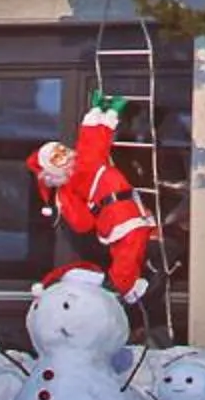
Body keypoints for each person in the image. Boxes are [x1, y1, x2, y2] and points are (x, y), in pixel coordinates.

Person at [31, 93, 156, 307]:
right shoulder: (81, 166)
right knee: (130, 251)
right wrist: (106, 112)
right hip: (126, 212)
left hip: (119, 216)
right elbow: (93, 137)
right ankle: (128, 286)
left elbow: (82, 224)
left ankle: (126, 286)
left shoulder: (69, 186)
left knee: (128, 253)